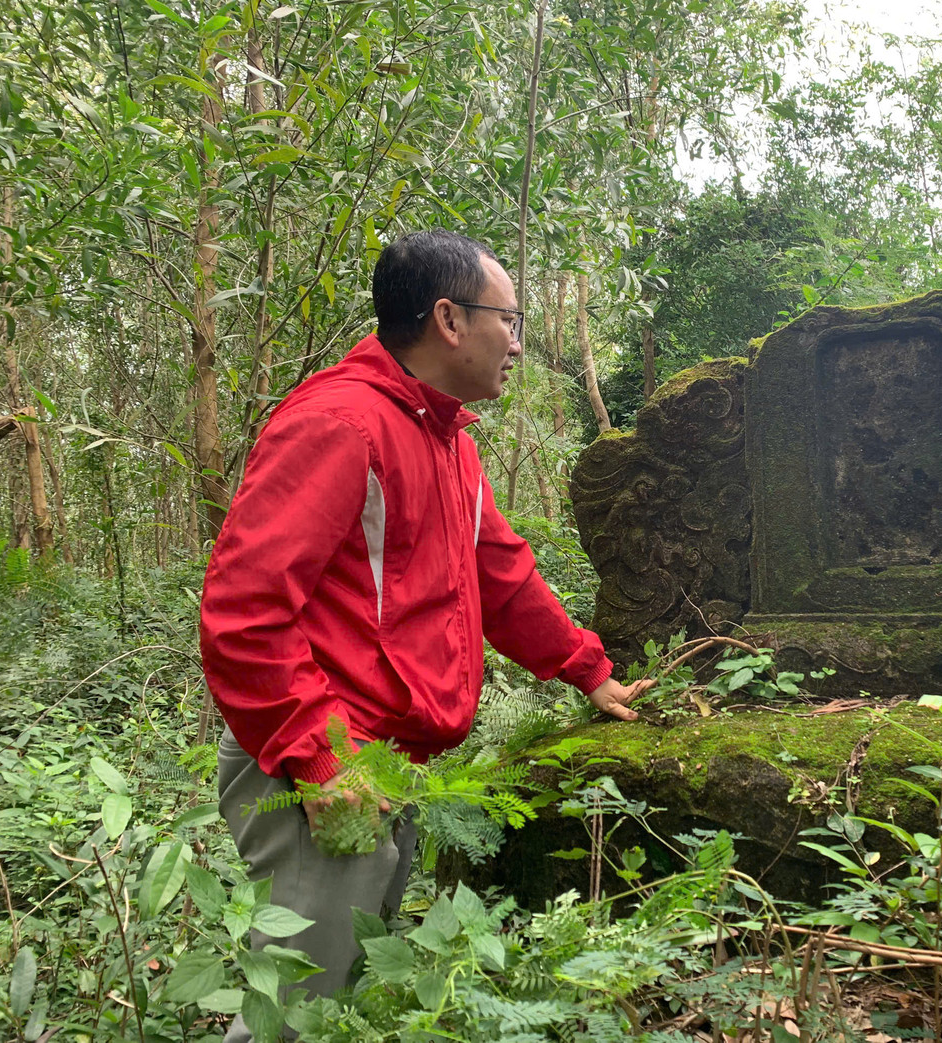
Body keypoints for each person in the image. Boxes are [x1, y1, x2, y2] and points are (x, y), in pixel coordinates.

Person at [199, 230, 647, 1038]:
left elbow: (500, 577)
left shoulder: (445, 441)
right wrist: (320, 756)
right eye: (508, 320)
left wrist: (588, 669)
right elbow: (245, 608)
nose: (517, 341)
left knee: (350, 991)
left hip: (389, 761)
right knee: (297, 1010)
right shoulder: (341, 424)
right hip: (320, 757)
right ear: (448, 318)